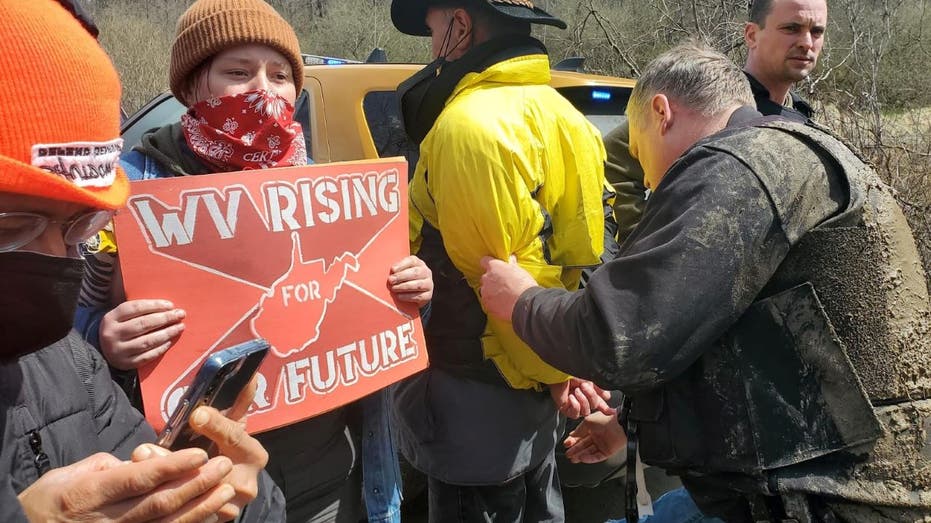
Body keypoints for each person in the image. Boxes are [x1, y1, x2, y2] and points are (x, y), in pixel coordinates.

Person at [479, 42, 931, 522]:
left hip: (830, 499)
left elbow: (620, 336)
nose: (648, 178)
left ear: (661, 111)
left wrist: (521, 300)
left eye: (637, 148)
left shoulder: (738, 167)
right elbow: (728, 341)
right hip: (847, 478)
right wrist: (629, 425)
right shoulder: (795, 151)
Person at [73, 1, 433, 521]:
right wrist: (105, 342)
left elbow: (374, 324)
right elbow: (67, 341)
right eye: (238, 72)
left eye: (281, 74)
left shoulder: (330, 191)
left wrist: (411, 294)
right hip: (200, 479)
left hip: (327, 467)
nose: (264, 89)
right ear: (194, 87)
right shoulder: (129, 191)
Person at [0, 1, 282, 521]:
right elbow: (87, 315)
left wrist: (220, 488)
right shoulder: (144, 181)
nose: (57, 257)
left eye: (82, 225)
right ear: (193, 88)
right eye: (11, 228)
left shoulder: (67, 368)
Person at [388, 0, 616, 520]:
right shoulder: (568, 116)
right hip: (542, 377)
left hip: (481, 395)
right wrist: (567, 366)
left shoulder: (468, 126)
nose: (430, 50)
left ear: (459, 26)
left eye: (432, 31)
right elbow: (576, 259)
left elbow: (499, 279)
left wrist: (559, 376)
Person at [605, 0, 827, 242]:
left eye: (816, 31)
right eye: (791, 28)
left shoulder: (801, 118)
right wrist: (645, 241)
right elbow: (615, 160)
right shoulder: (709, 100)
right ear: (752, 35)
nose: (806, 43)